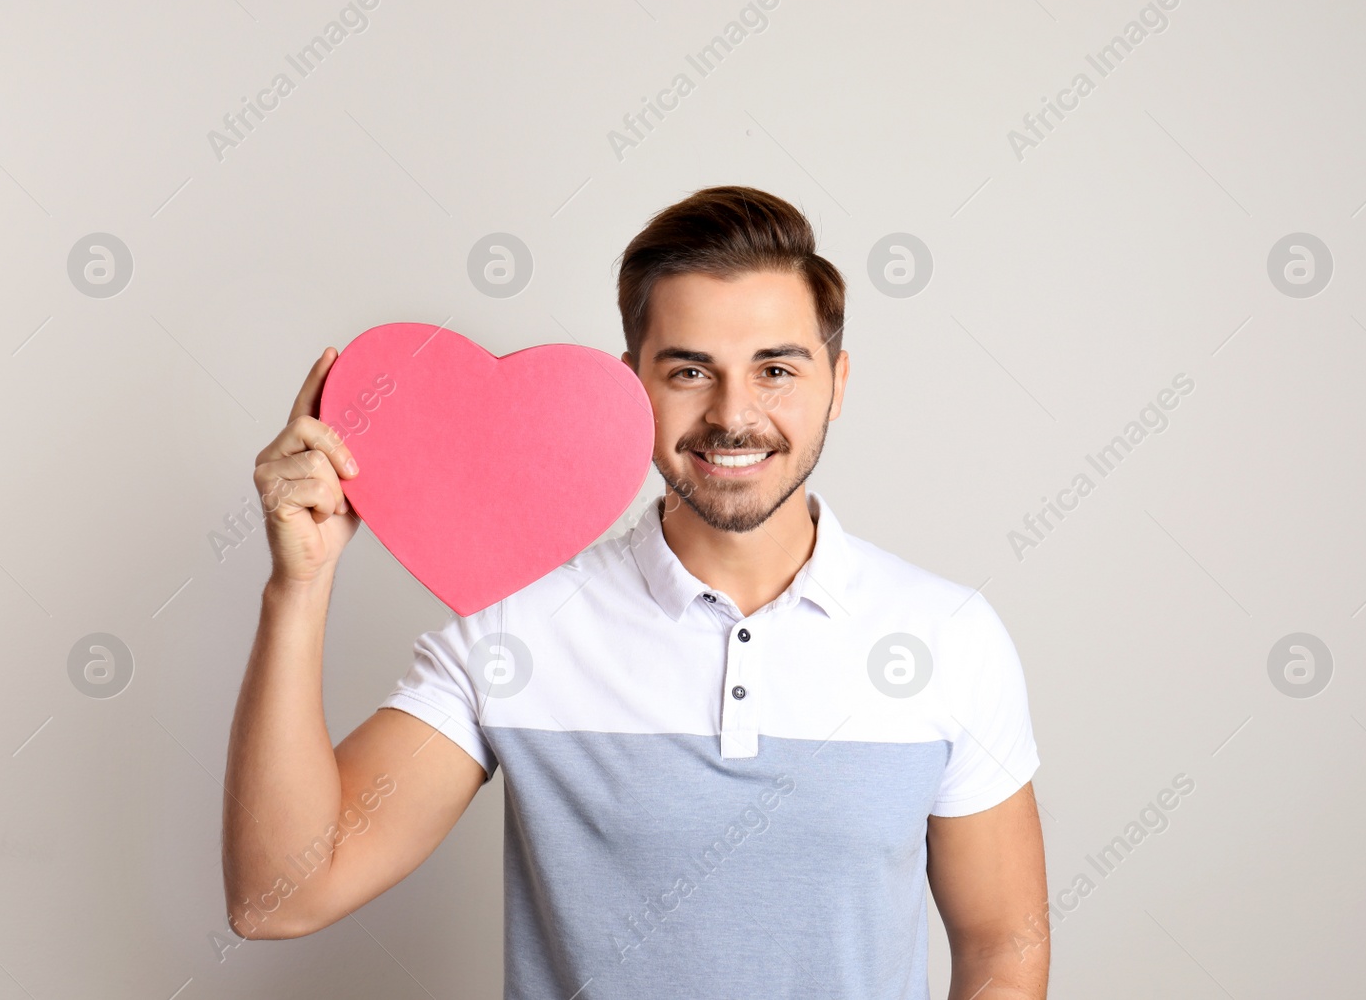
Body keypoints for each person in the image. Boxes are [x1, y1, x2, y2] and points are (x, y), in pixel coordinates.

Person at [223, 186, 1049, 998]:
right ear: (632, 390)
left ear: (836, 381)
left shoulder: (947, 636)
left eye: (775, 369)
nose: (734, 415)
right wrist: (299, 583)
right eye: (690, 369)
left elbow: (1002, 951)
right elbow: (280, 895)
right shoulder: (515, 629)